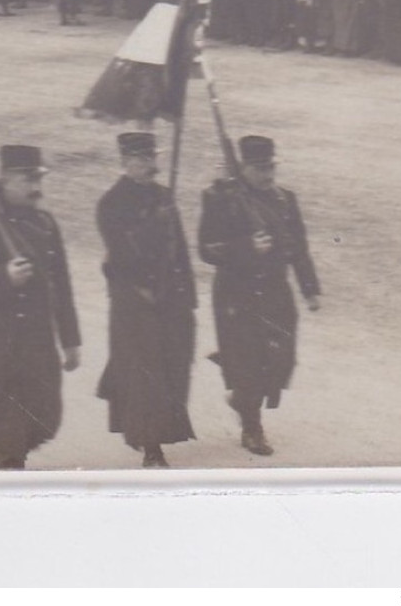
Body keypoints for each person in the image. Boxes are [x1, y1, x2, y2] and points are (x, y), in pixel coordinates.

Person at [0, 145, 82, 470]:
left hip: (37, 337)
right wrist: (2, 277)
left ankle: (5, 455)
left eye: (38, 179)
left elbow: (61, 285)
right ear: (6, 180)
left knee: (43, 415)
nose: (36, 188)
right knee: (9, 423)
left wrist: (70, 339)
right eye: (27, 180)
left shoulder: (46, 224)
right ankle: (9, 466)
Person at [197, 135, 322, 456]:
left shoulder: (284, 200)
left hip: (276, 292)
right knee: (250, 363)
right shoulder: (220, 199)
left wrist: (310, 289)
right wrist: (245, 247)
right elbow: (206, 250)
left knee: (281, 361)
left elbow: (299, 248)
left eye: (271, 167)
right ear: (244, 168)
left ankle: (240, 394)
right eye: (260, 169)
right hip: (238, 294)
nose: (268, 175)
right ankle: (252, 427)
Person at [94, 132, 196, 468]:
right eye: (140, 159)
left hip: (170, 298)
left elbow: (179, 251)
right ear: (125, 163)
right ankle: (151, 447)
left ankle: (158, 436)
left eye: (151, 157)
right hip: (134, 300)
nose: (149, 165)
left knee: (171, 369)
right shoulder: (110, 204)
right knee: (144, 374)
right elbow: (122, 255)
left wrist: (189, 301)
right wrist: (154, 225)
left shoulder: (165, 196)